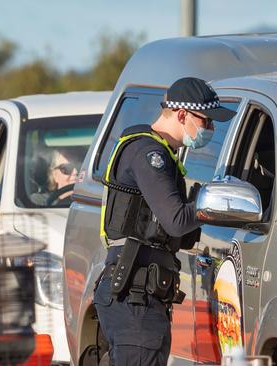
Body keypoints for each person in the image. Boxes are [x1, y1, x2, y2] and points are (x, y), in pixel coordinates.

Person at [94, 77, 235, 365]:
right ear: (182, 115)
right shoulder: (150, 153)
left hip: (140, 295)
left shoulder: (160, 153)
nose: (210, 129)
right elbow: (176, 221)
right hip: (135, 298)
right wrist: (209, 206)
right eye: (206, 121)